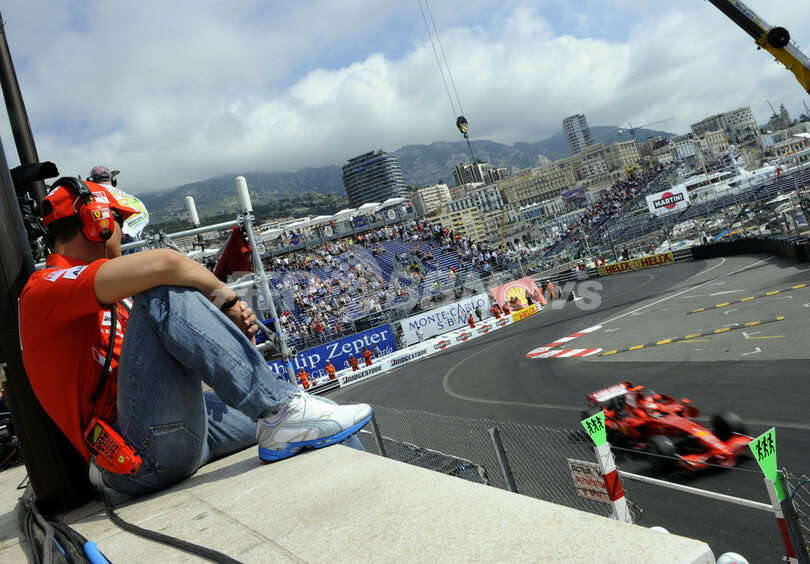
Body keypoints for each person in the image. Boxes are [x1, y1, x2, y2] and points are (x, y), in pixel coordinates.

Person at [18, 177, 372, 497]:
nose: (122, 235)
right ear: (98, 223)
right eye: (119, 223)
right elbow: (168, 264)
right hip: (136, 455)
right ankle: (279, 409)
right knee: (162, 290)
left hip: (169, 433)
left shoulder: (107, 295)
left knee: (322, 423)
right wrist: (226, 301)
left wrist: (220, 326)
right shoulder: (41, 291)